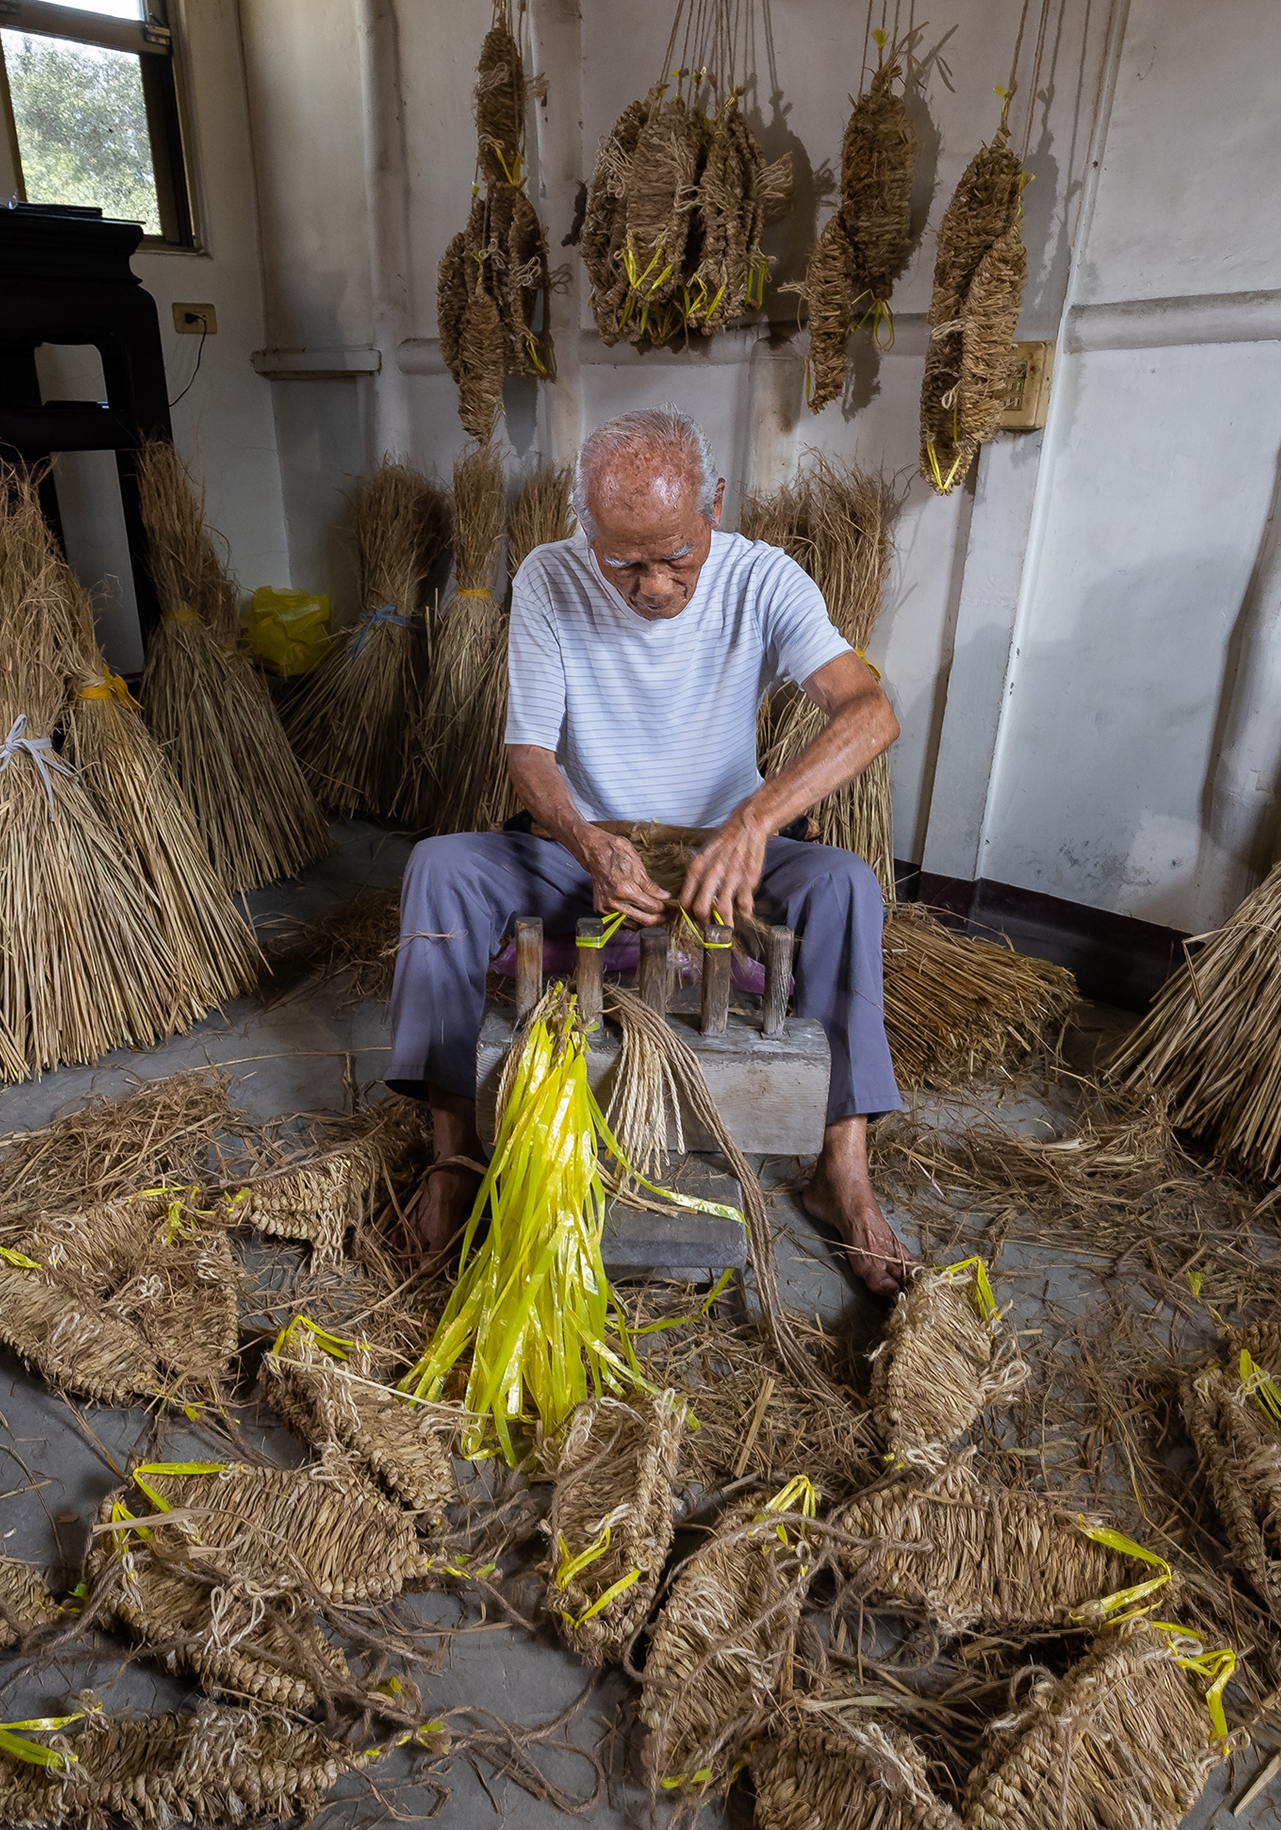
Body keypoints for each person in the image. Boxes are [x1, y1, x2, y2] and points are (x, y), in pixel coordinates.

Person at [386, 404, 914, 1293]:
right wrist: (588, 843)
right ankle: (455, 1157)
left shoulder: (763, 578)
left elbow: (870, 713)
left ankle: (843, 1173)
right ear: (585, 528)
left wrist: (753, 822)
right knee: (438, 868)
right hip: (590, 853)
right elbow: (529, 754)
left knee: (845, 885)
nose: (655, 585)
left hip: (723, 854)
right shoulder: (550, 576)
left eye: (676, 555)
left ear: (714, 503)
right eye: (624, 562)